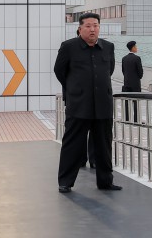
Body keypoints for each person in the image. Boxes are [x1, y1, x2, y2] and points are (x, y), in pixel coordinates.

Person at [54, 12, 121, 193]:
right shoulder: (68, 47)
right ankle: (65, 182)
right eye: (88, 26)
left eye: (95, 25)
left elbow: (109, 70)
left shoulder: (108, 47)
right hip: (79, 104)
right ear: (80, 28)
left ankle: (105, 181)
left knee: (104, 145)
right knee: (72, 144)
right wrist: (74, 89)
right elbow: (59, 71)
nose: (92, 29)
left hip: (103, 104)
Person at [121, 40, 144, 123]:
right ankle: (136, 119)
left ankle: (127, 118)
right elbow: (140, 72)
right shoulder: (137, 58)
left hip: (126, 83)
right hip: (135, 84)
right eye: (135, 46)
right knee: (136, 101)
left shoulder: (124, 58)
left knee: (127, 101)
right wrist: (138, 77)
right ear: (133, 47)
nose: (136, 48)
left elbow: (123, 71)